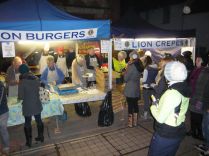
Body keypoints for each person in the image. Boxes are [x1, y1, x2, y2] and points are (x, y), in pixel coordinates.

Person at [148, 61, 190, 156]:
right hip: (178, 130)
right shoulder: (185, 88)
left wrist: (153, 105)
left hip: (166, 133)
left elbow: (160, 118)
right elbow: (176, 108)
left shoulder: (171, 93)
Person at [18, 64, 44, 147]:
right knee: (39, 120)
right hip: (37, 104)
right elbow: (40, 91)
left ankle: (29, 142)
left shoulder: (22, 82)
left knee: (27, 123)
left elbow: (21, 96)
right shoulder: (36, 78)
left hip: (27, 106)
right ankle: (41, 137)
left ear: (21, 72)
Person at [123, 50, 144, 128]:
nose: (130, 58)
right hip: (136, 88)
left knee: (130, 105)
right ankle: (135, 122)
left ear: (132, 57)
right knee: (135, 104)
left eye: (130, 57)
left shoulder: (131, 66)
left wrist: (126, 69)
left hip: (130, 88)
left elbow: (126, 78)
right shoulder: (140, 65)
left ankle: (130, 123)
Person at [193, 66, 209, 155]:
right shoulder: (205, 70)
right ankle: (206, 145)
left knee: (207, 127)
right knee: (205, 127)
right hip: (205, 103)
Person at [188, 57, 204, 139]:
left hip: (199, 97)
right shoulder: (195, 69)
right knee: (192, 113)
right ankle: (193, 130)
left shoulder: (203, 71)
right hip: (193, 95)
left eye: (198, 60)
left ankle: (200, 133)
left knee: (198, 114)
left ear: (202, 62)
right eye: (196, 60)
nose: (196, 62)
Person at [0, 80, 10, 155]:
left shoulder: (1, 86)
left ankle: (6, 147)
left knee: (3, 129)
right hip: (3, 110)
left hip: (3, 112)